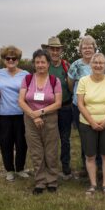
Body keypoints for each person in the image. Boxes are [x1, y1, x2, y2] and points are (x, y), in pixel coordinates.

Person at [18, 49, 62, 195]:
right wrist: (33, 115)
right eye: (37, 62)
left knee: (51, 151)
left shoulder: (55, 81)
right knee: (36, 151)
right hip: (30, 119)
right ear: (34, 64)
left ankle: (52, 181)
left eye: (43, 62)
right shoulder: (28, 79)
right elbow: (21, 100)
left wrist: (41, 112)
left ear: (48, 64)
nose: (40, 65)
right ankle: (40, 182)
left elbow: (58, 103)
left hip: (50, 118)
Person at [77, 53, 105, 195]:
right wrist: (92, 122)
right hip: (87, 123)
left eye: (101, 63)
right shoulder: (83, 81)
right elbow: (81, 105)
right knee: (90, 155)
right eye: (95, 62)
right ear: (90, 64)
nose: (98, 65)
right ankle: (93, 184)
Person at [67, 35, 102, 175]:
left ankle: (99, 165)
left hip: (98, 106)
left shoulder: (100, 62)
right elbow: (70, 84)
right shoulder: (76, 65)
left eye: (90, 47)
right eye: (84, 47)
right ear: (80, 49)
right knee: (85, 136)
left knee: (99, 135)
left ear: (95, 48)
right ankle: (86, 165)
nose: (87, 49)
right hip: (79, 106)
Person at [0, 45, 29, 182]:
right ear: (4, 59)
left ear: (18, 59)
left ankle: (20, 168)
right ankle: (9, 170)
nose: (11, 60)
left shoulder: (25, 74)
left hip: (21, 114)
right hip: (3, 115)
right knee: (5, 143)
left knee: (22, 143)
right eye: (8, 58)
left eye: (14, 58)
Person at [41, 37, 73, 179]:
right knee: (50, 139)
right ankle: (49, 165)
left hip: (65, 107)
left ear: (61, 50)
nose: (54, 52)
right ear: (47, 50)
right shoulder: (43, 66)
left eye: (57, 49)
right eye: (52, 49)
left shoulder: (66, 65)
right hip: (49, 108)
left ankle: (65, 165)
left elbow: (72, 84)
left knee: (65, 139)